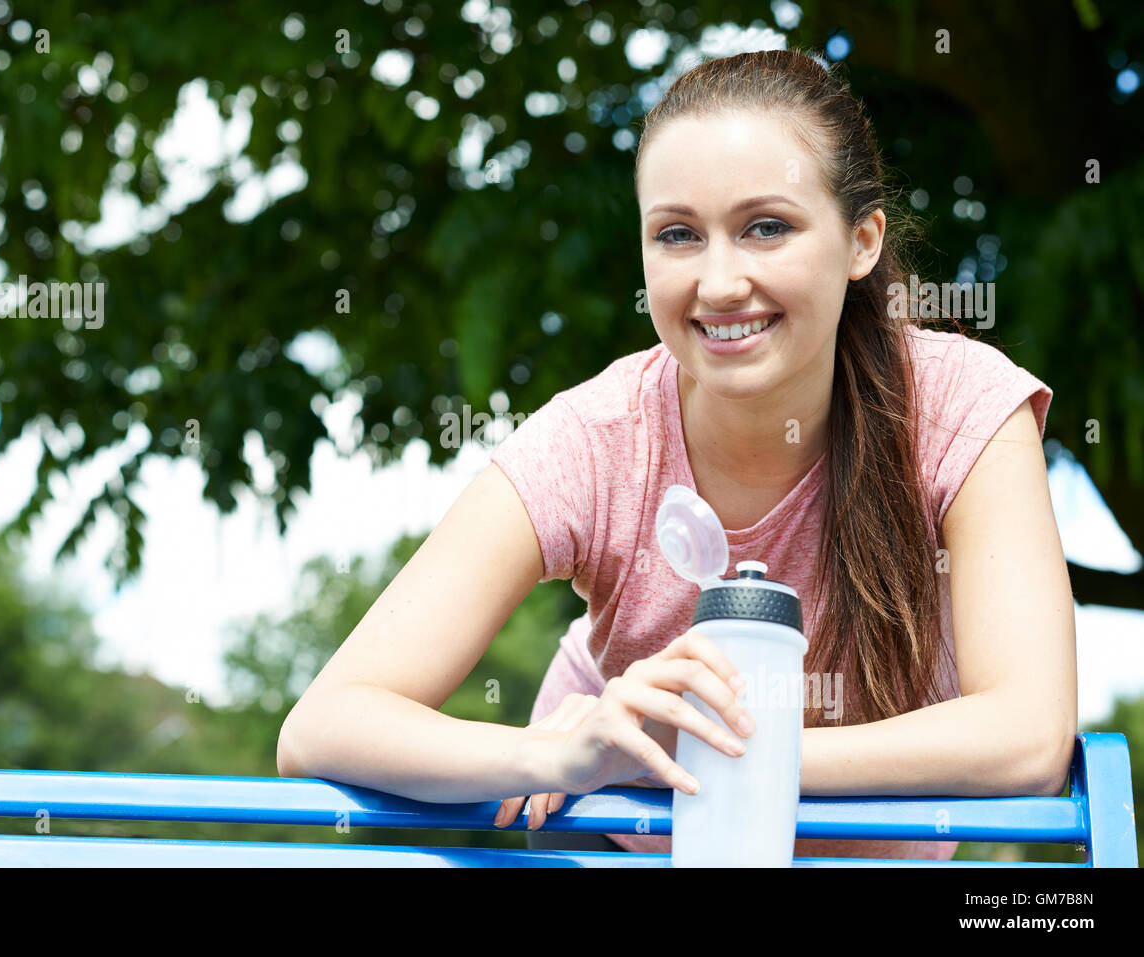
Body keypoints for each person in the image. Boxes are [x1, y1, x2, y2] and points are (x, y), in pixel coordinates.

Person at [276, 48, 1076, 862]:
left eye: (767, 227)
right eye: (678, 235)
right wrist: (560, 751)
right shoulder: (595, 438)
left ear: (862, 240)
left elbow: (1028, 734)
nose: (720, 281)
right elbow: (325, 723)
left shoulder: (960, 407)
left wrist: (702, 755)